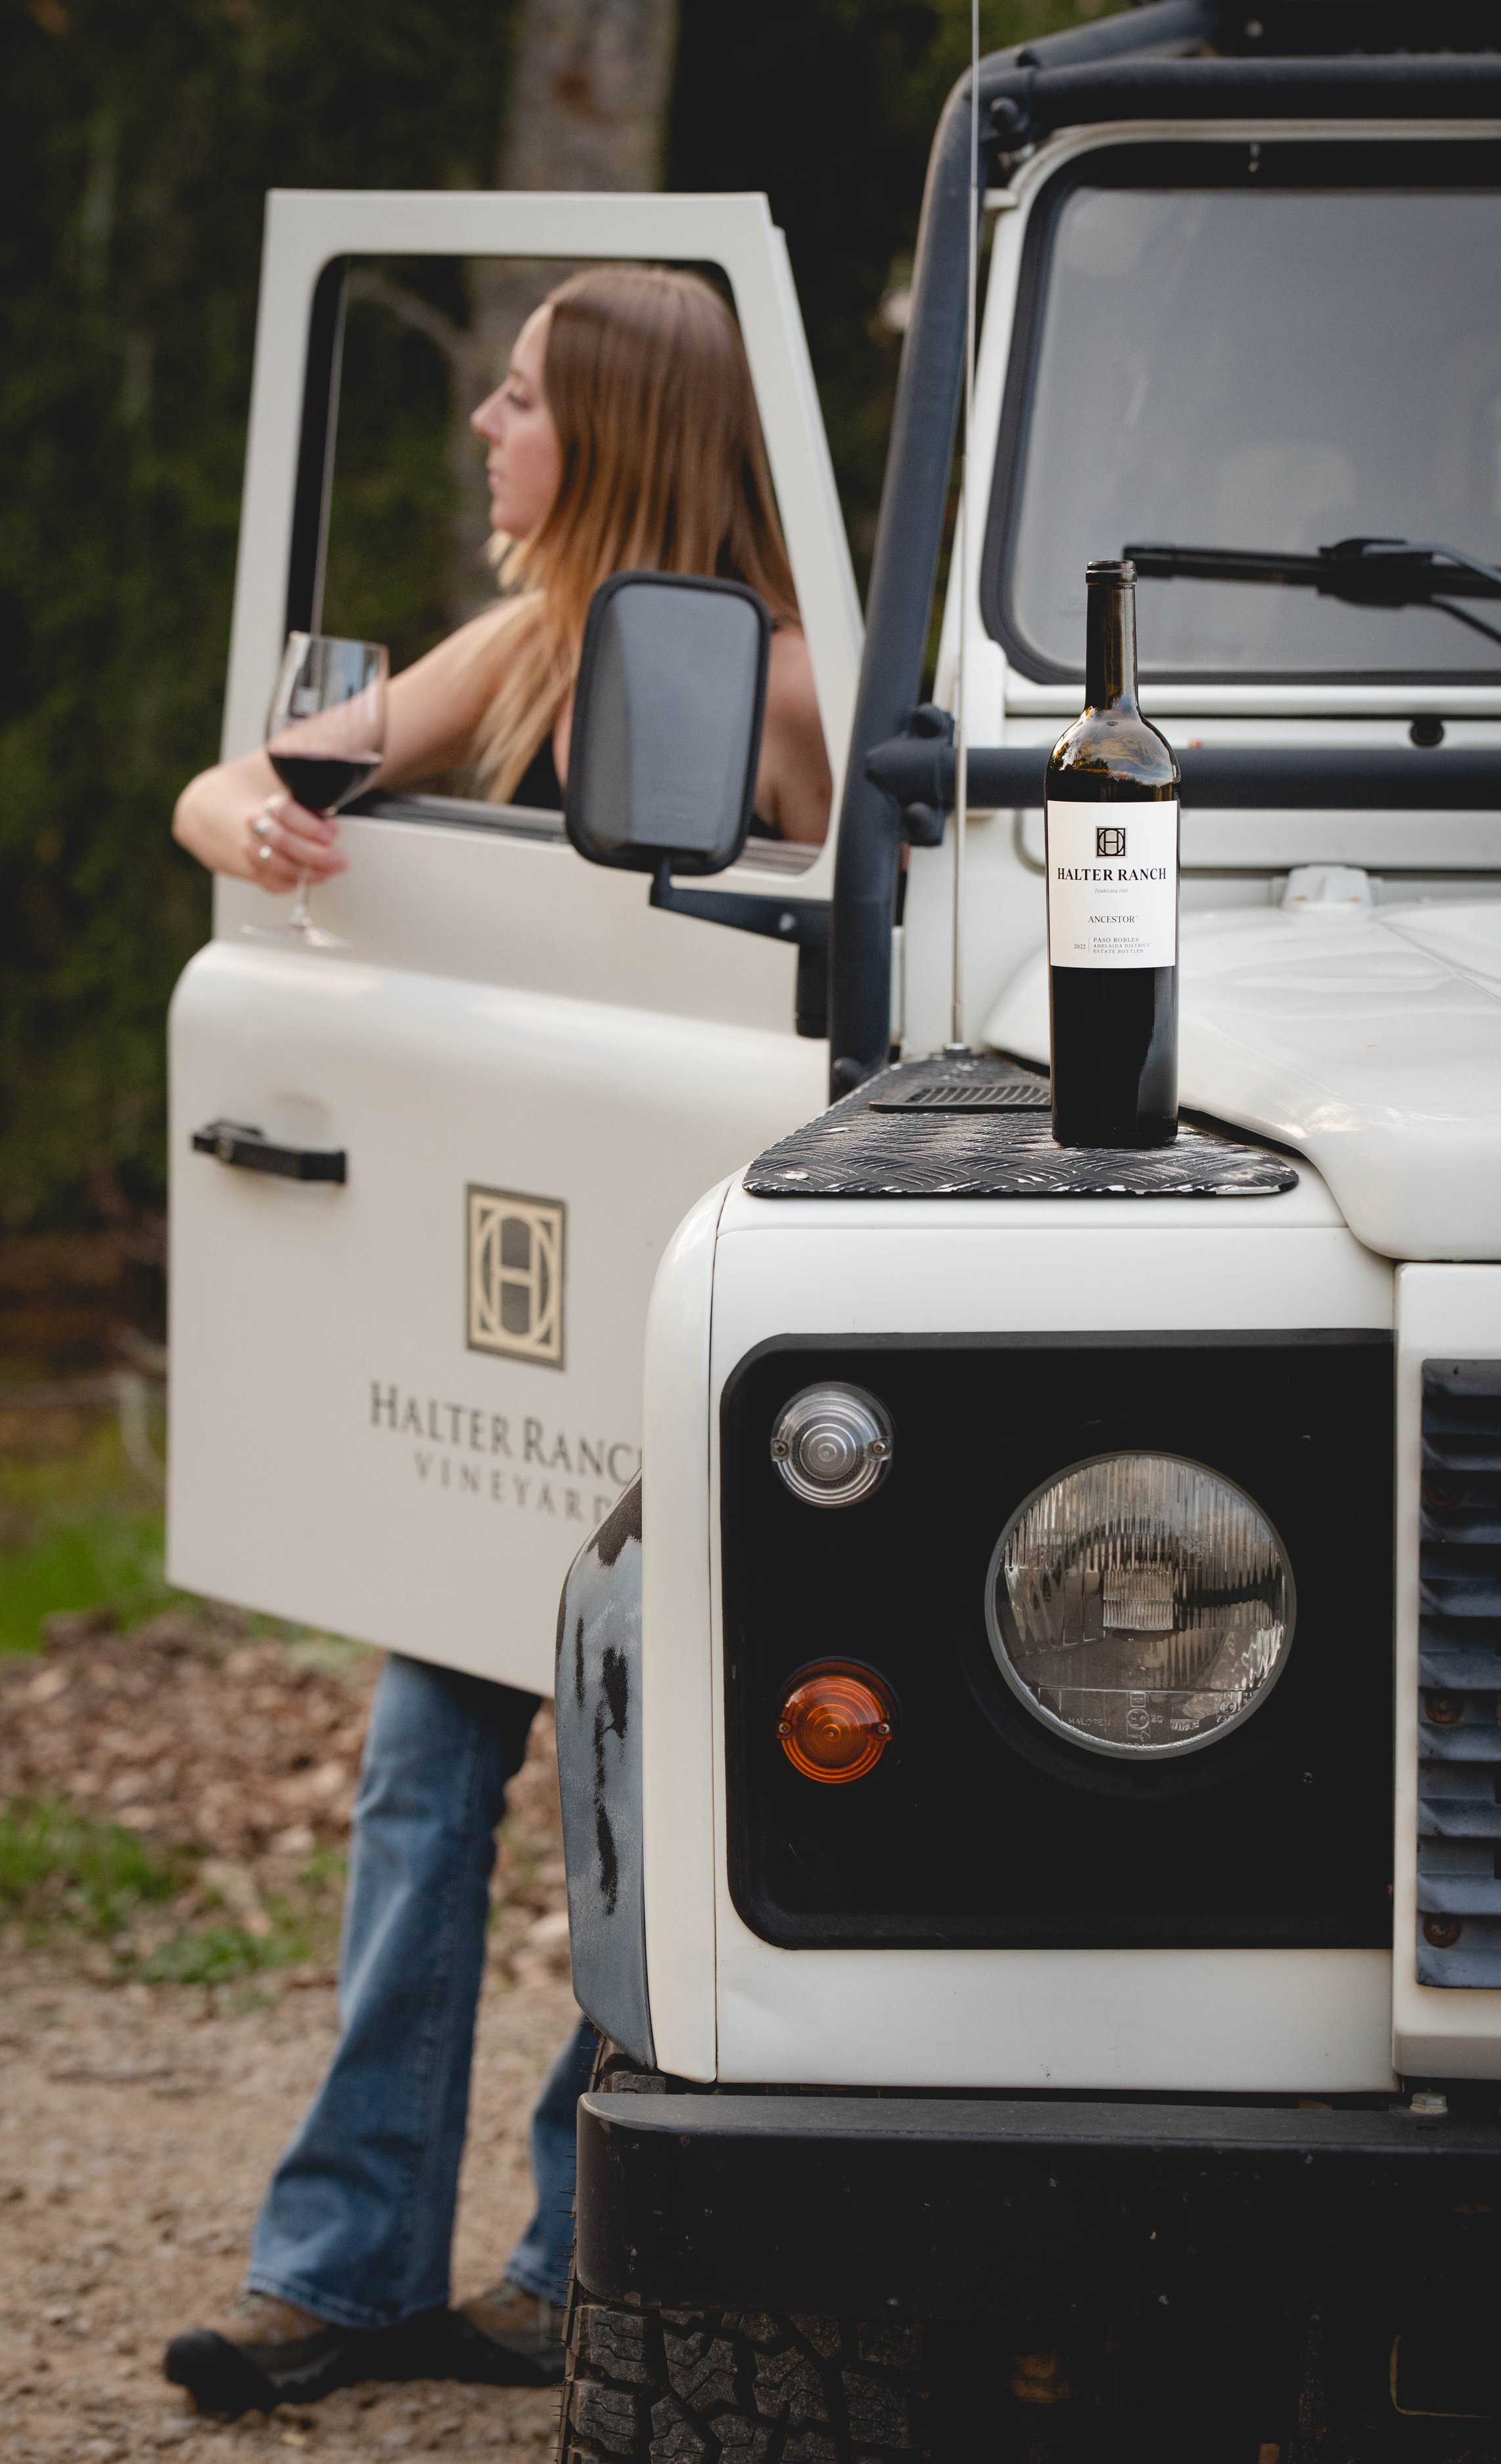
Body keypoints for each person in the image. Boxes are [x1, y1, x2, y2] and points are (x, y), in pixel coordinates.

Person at [162, 266, 833, 2419]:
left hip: (684, 1336)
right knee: (421, 1775)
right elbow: (246, 778)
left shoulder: (791, 684)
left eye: (523, 398)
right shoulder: (521, 646)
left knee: (653, 1797)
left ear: (615, 430)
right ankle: (345, 2264)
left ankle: (574, 2256)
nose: (486, 427)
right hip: (503, 1338)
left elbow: (849, 977)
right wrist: (239, 819)